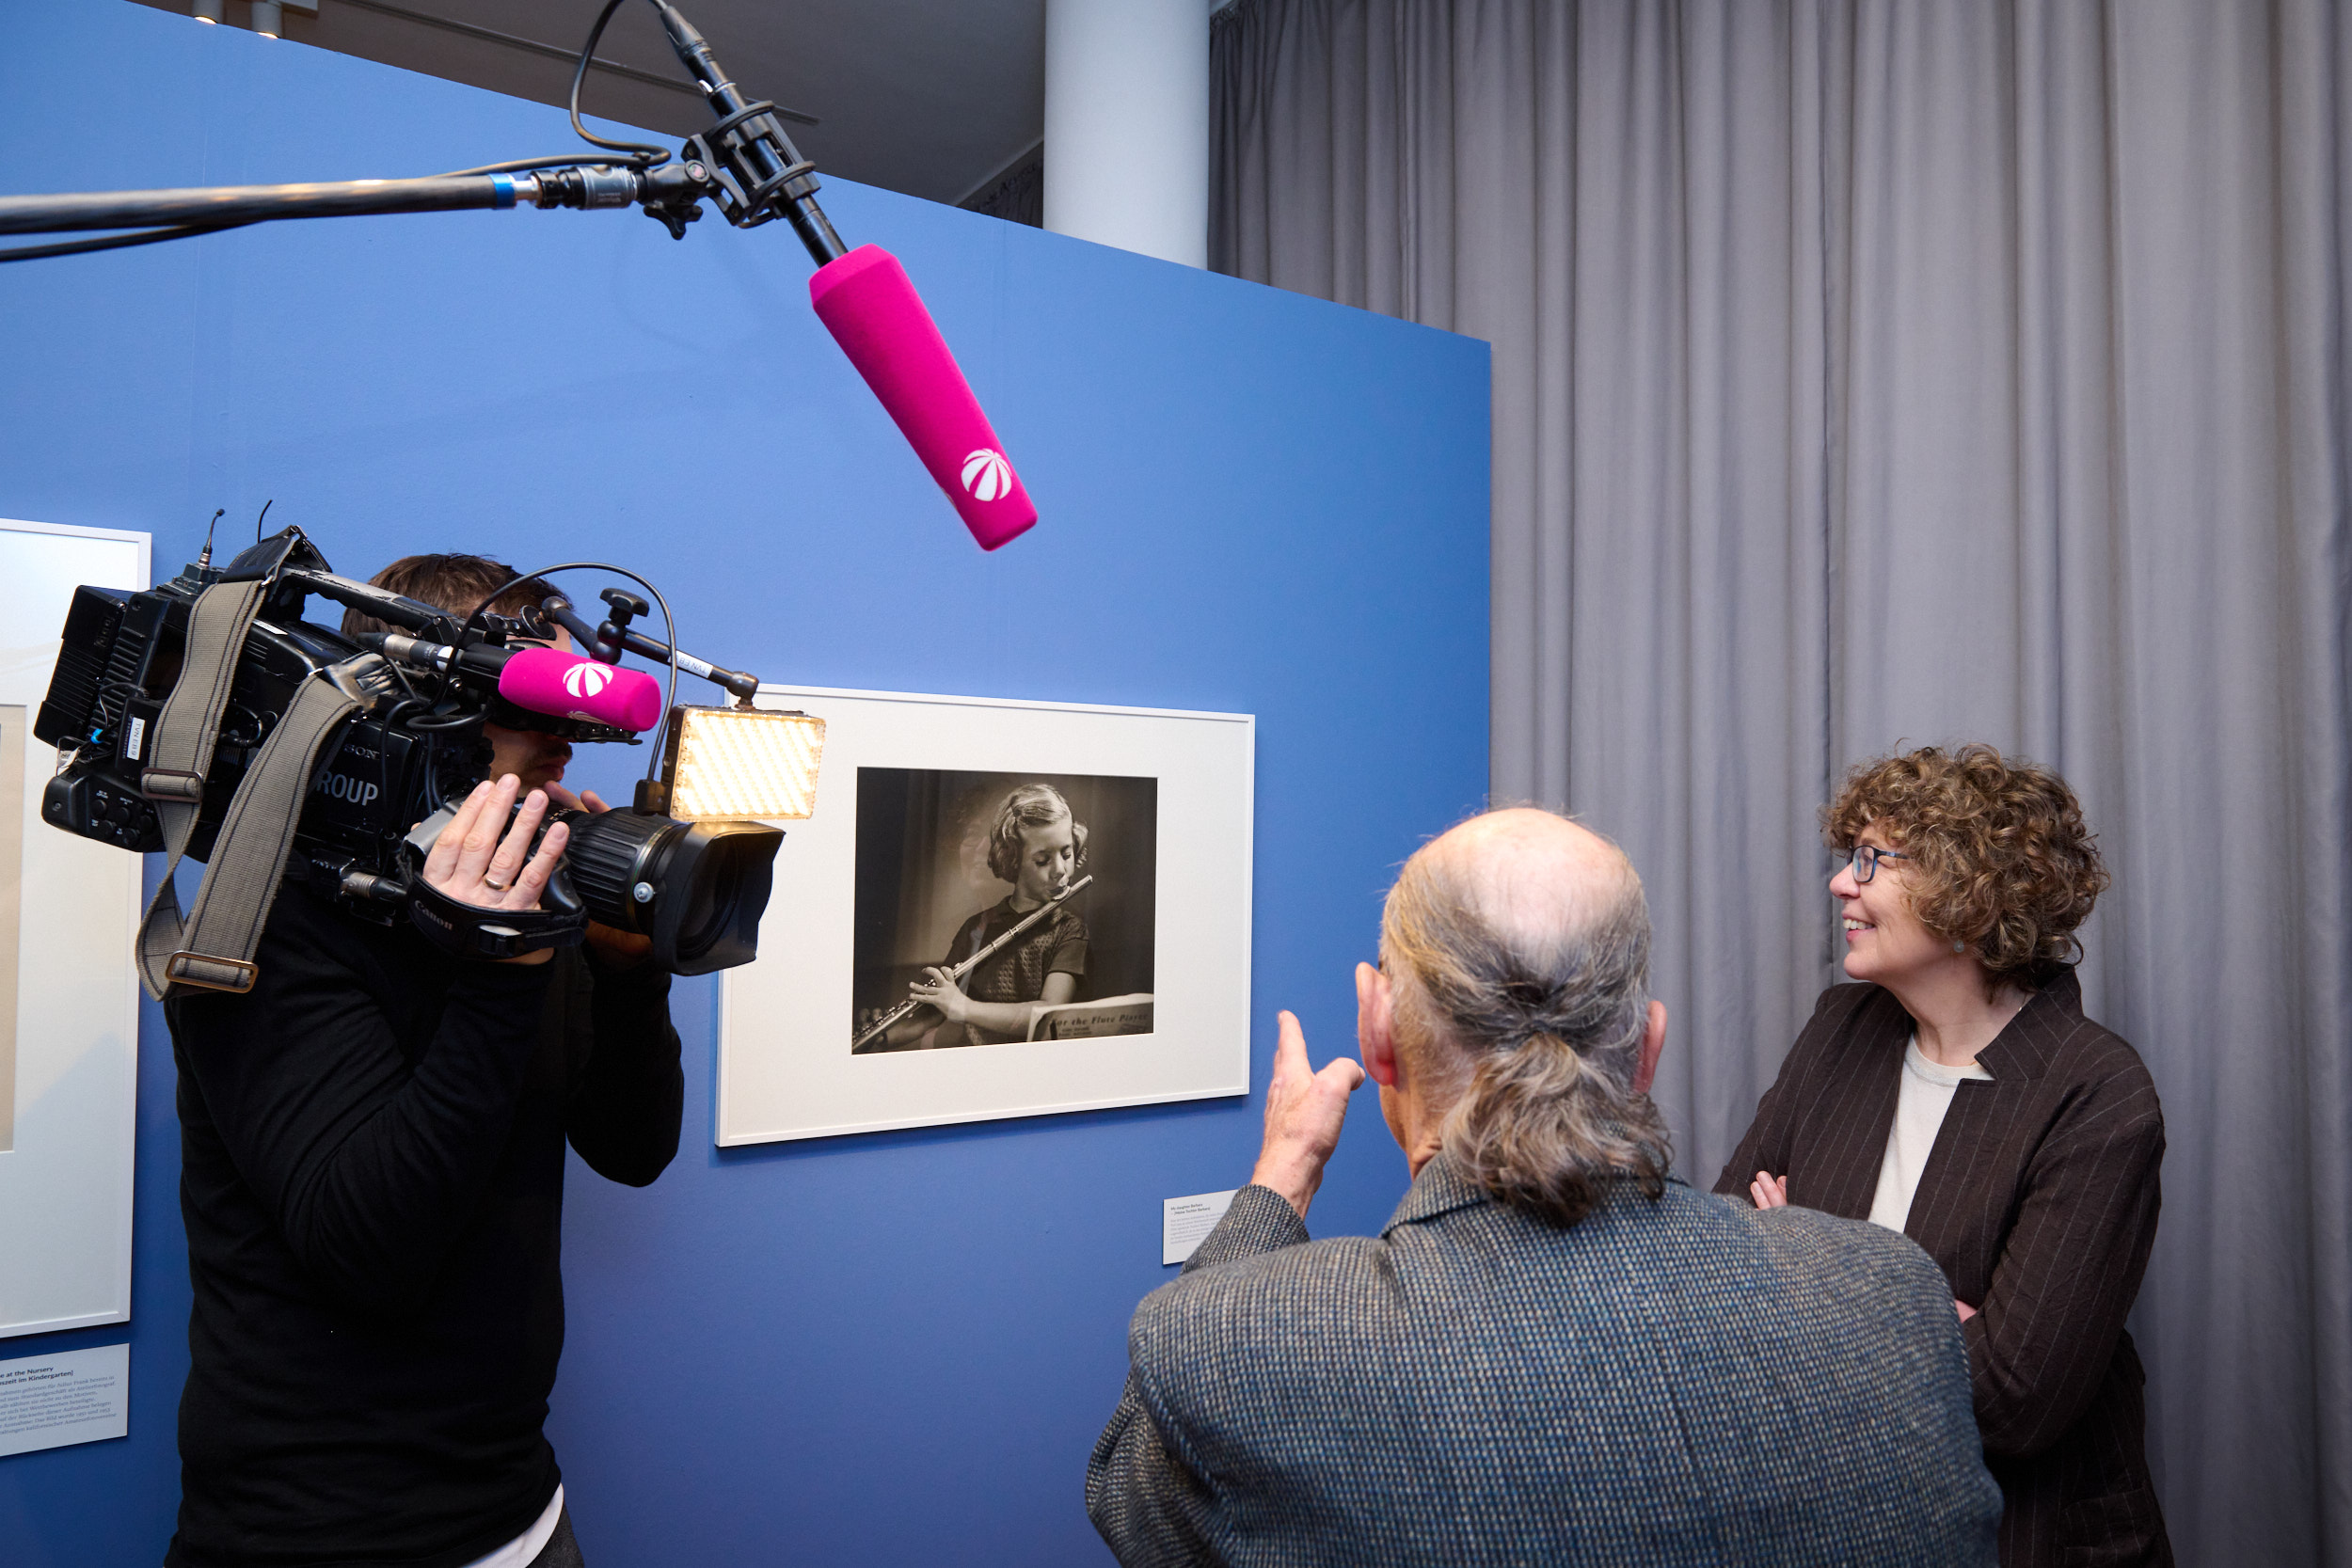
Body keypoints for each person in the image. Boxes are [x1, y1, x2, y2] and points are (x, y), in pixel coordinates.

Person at [1088, 806, 2003, 1567]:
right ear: (1646, 1047)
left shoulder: (1239, 1344)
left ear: (1378, 1034)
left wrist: (1278, 1180)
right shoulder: (1888, 1293)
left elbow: (1135, 1505)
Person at [163, 554, 684, 1568]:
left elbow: (629, 1147)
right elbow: (371, 1253)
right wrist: (497, 966)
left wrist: (629, 977)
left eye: (576, 722)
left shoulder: (531, 903)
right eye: (533, 713)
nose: (562, 751)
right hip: (314, 1533)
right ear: (417, 715)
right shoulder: (264, 925)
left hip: (521, 1510)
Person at [1717, 744, 2169, 1568]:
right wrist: (1932, 1316)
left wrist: (1807, 1274)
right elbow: (1723, 1270)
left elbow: (2013, 1399)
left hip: (2023, 1541)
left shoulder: (2097, 1092)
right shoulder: (1838, 1029)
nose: (1840, 884)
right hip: (1844, 1527)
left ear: (1969, 890)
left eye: (1871, 860)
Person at [862, 782, 1089, 1050]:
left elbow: (1050, 1012)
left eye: (1067, 853)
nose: (1060, 870)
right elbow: (932, 1015)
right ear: (1012, 860)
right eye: (1042, 860)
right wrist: (879, 1037)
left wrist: (964, 1007)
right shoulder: (977, 927)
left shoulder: (1069, 929)